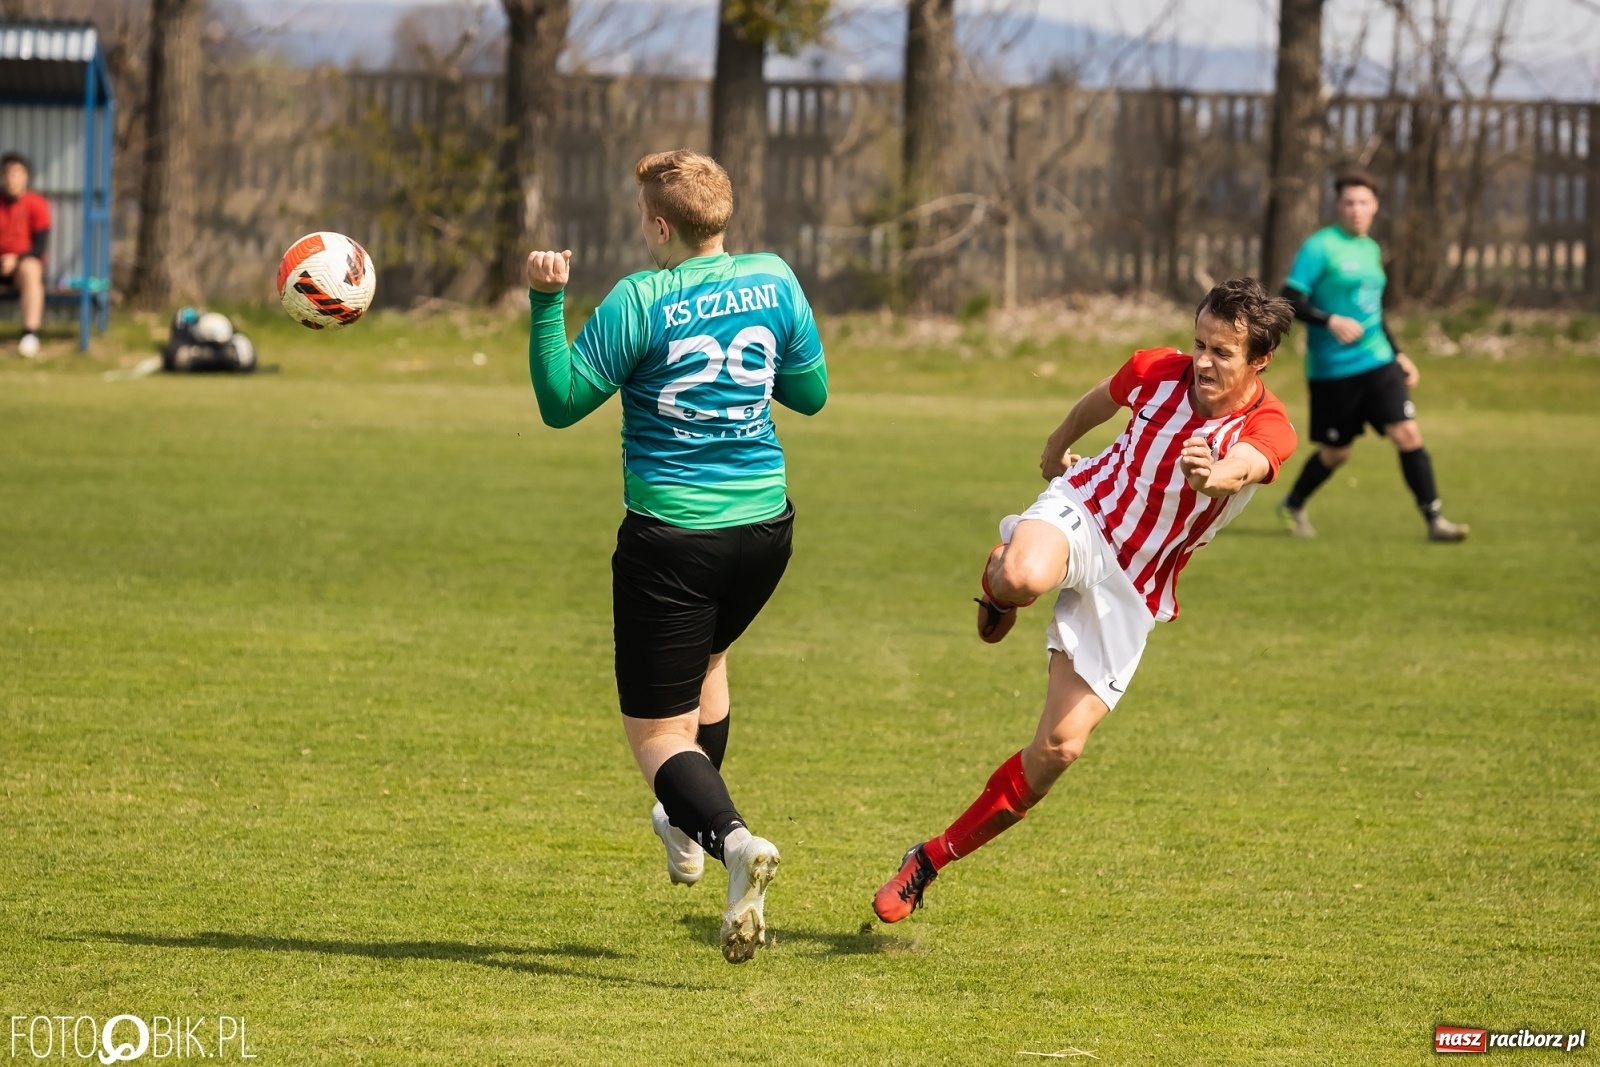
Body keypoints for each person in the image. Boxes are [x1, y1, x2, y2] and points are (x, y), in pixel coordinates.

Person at [872, 279, 1297, 923]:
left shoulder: (1267, 425)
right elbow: (1096, 404)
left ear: (1258, 360)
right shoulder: (1157, 370)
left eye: (1223, 353)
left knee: (1060, 749)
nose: (1203, 362)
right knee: (1022, 577)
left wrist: (1217, 474)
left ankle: (928, 859)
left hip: (1136, 584)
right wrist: (1053, 447)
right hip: (1088, 509)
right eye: (1199, 344)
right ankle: (1001, 583)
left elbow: (1252, 463)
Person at [523, 149, 828, 963]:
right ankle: (683, 824)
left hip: (673, 540)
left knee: (658, 733)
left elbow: (560, 404)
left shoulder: (638, 300)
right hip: (765, 531)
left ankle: (730, 838)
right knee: (710, 660)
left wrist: (546, 301)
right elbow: (811, 392)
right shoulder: (775, 277)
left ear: (660, 225)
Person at [1275, 170, 1468, 542]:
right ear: (1338, 206)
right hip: (1333, 369)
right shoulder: (1320, 247)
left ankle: (1434, 519)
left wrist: (1398, 354)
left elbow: (1374, 313)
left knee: (1407, 433)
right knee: (1337, 452)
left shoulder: (1371, 249)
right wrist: (1329, 319)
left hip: (1377, 361)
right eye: (1348, 202)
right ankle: (1293, 503)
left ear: (1375, 206)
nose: (1356, 210)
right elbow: (1290, 299)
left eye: (1363, 202)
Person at [0, 152, 49, 358]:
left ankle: (30, 334)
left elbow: (40, 246)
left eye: (17, 174)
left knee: (31, 268)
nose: (13, 178)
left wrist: (16, 257)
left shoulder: (37, 204)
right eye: (9, 174)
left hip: (22, 266)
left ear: (25, 177)